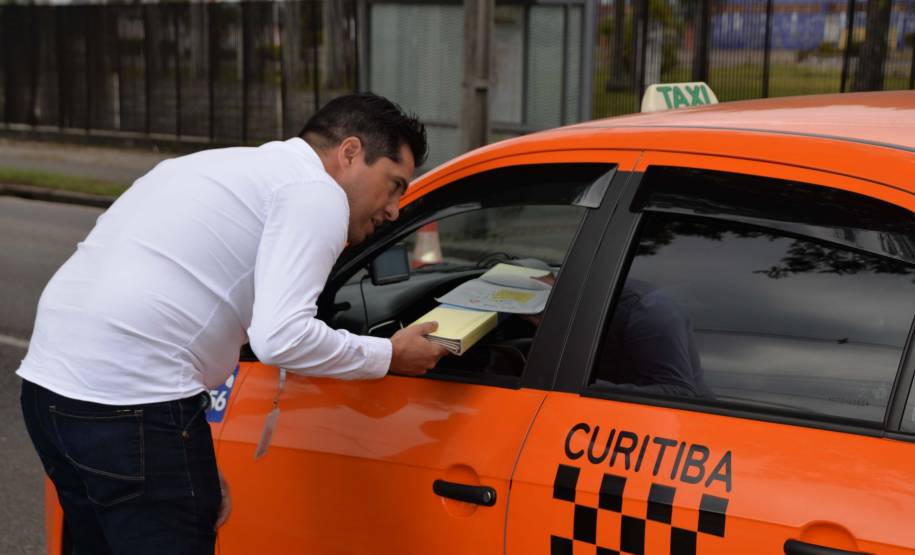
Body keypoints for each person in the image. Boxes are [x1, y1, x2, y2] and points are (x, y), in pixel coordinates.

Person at [16, 93, 449, 554]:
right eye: (394, 184)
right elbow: (281, 338)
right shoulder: (316, 192)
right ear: (350, 153)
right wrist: (390, 354)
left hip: (49, 392)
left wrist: (185, 459)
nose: (394, 210)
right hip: (131, 402)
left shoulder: (210, 165)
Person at [594, 278, 713, 398]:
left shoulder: (648, 310)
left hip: (682, 414)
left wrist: (584, 384)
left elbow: (681, 393)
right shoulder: (588, 300)